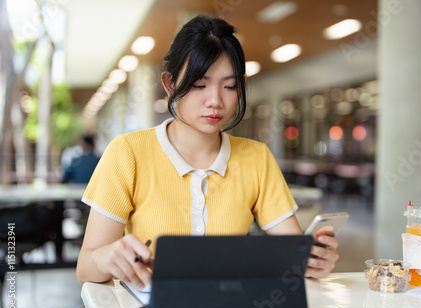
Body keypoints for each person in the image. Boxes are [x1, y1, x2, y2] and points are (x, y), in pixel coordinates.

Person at [76, 15, 339, 289]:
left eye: (229, 86)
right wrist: (105, 258)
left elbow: (292, 253)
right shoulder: (127, 153)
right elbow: (86, 268)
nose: (215, 101)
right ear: (170, 84)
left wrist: (314, 261)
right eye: (199, 84)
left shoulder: (256, 158)